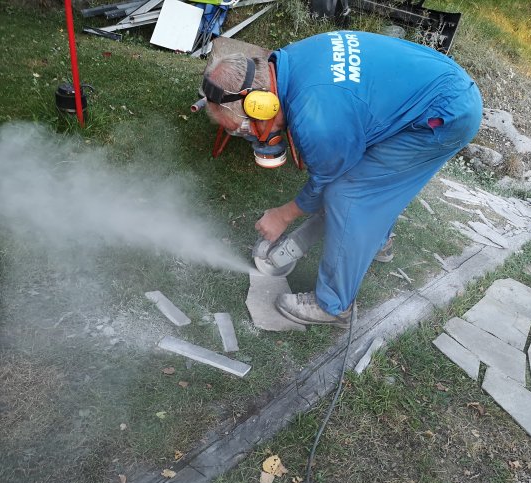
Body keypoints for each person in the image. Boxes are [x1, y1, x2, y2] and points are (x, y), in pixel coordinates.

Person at [204, 30, 482, 328]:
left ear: (261, 105)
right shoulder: (288, 61)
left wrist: (282, 216)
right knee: (369, 178)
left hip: (443, 115)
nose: (248, 136)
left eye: (244, 129)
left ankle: (333, 305)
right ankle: (376, 241)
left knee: (348, 195)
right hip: (436, 84)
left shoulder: (317, 117)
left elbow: (327, 180)